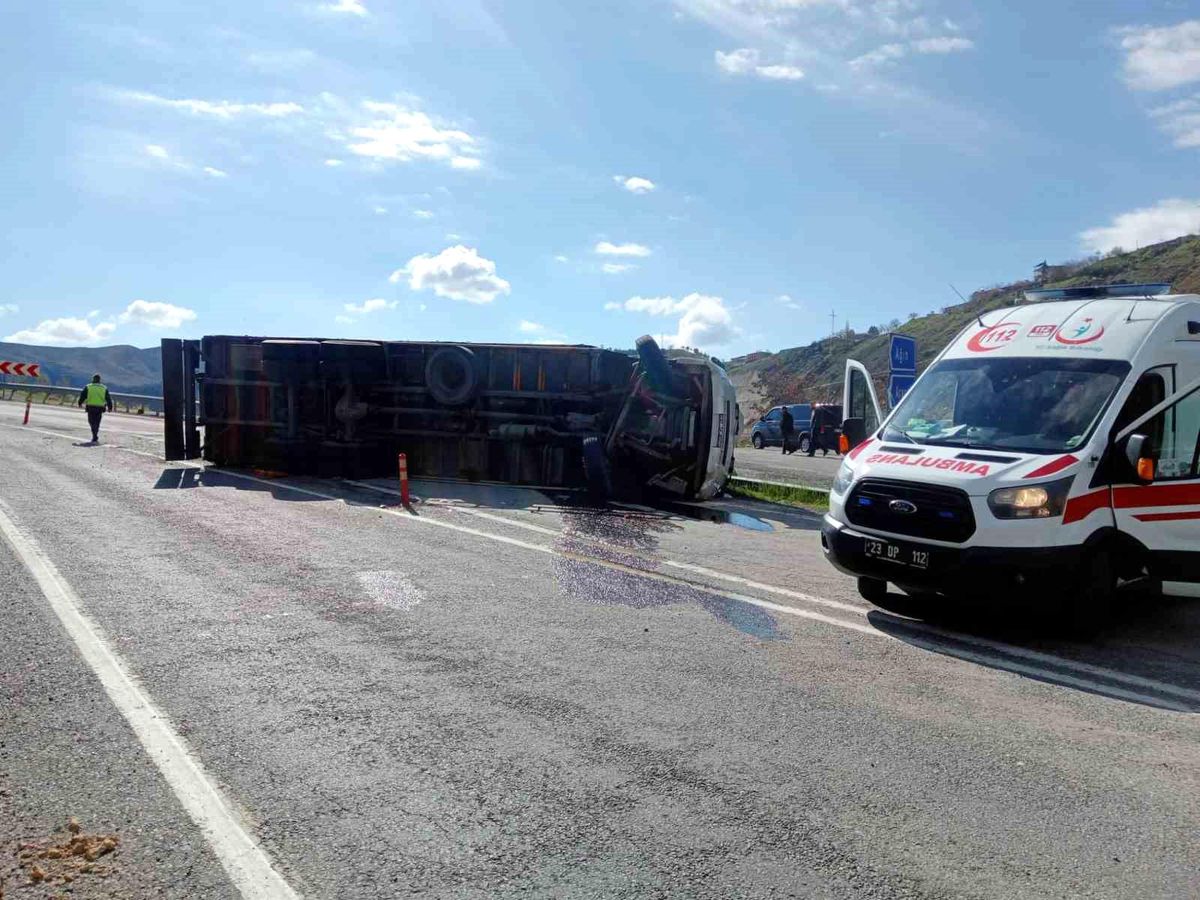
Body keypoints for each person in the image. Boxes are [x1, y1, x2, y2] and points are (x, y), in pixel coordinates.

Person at [78, 374, 114, 443]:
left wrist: (80, 403)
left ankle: (94, 435)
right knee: (97, 422)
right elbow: (108, 398)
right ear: (99, 380)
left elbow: (83, 395)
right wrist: (110, 407)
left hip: (90, 407)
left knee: (91, 421)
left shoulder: (88, 386)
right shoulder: (104, 388)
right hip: (100, 407)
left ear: (93, 379)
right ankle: (95, 434)